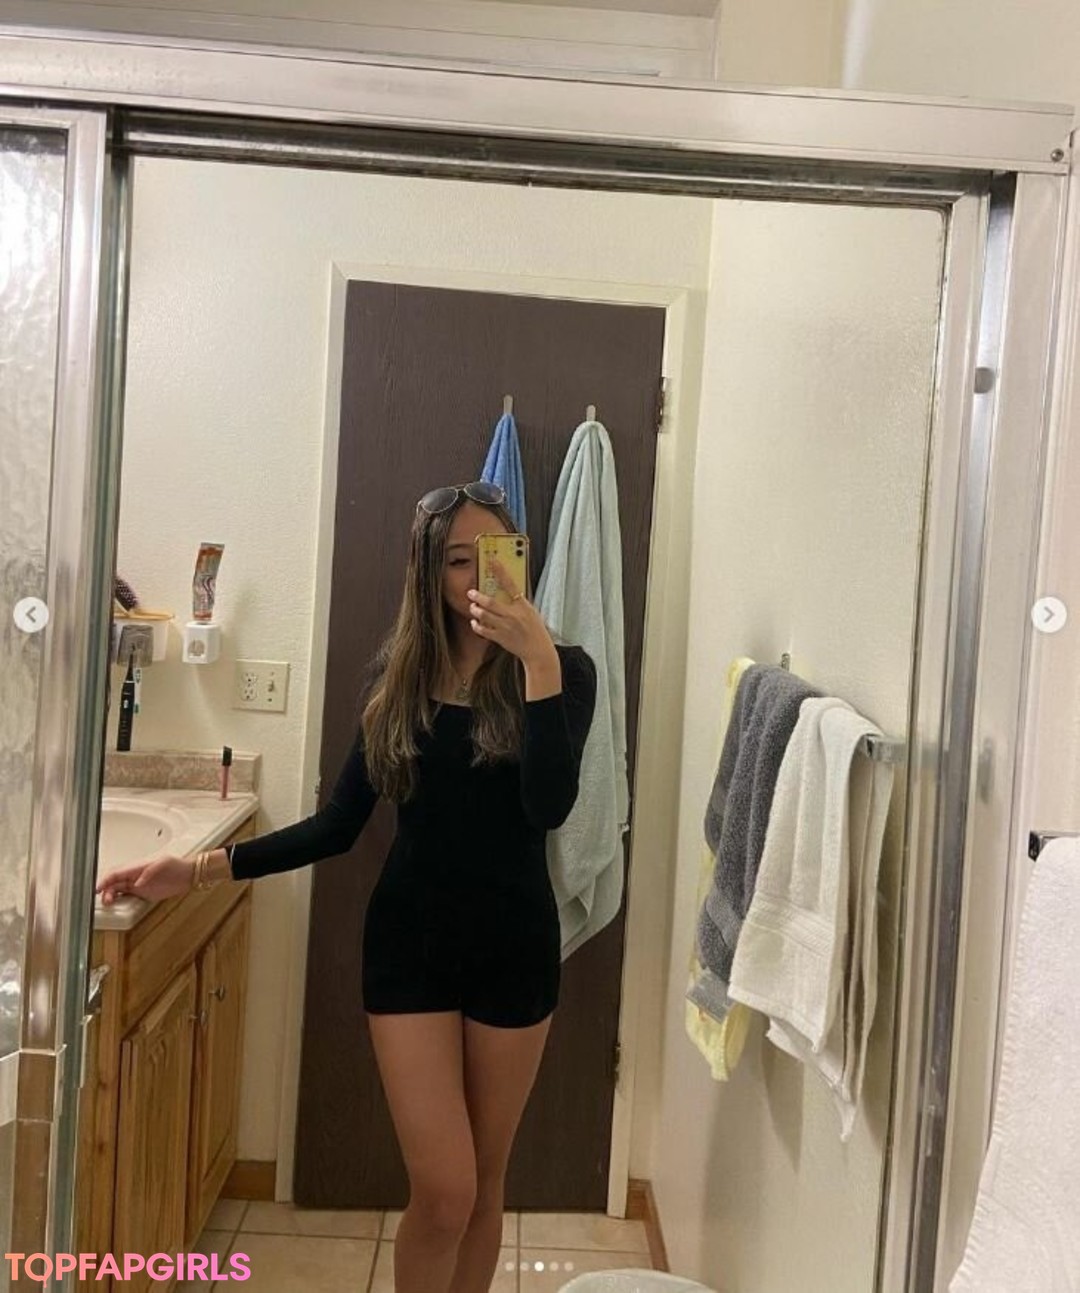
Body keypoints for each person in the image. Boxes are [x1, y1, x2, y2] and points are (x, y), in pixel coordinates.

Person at [96, 479, 598, 1293]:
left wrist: (536, 657)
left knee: (485, 1183)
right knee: (445, 1189)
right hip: (409, 951)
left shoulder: (564, 671)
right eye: (457, 560)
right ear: (427, 573)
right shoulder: (398, 680)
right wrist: (196, 869)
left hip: (515, 952)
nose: (478, 575)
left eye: (493, 554)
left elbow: (550, 807)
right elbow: (336, 826)